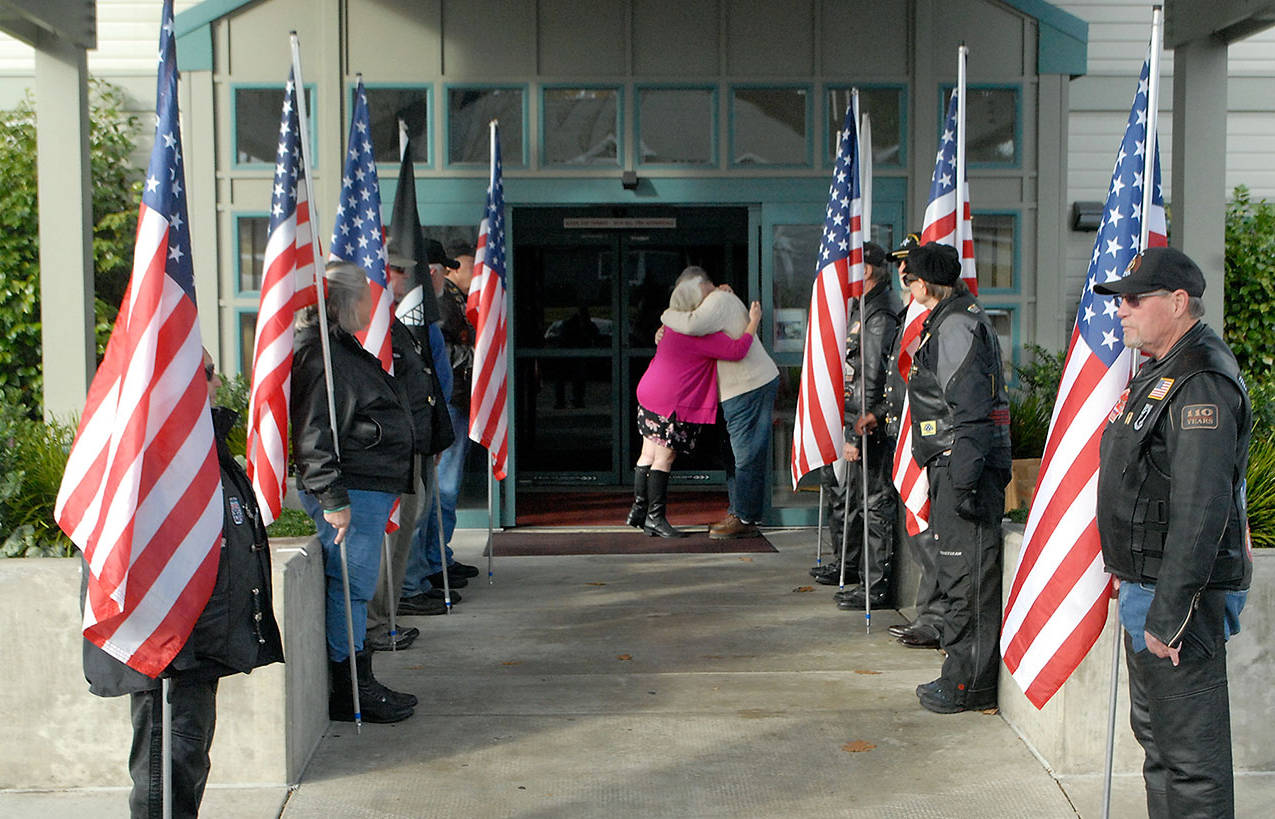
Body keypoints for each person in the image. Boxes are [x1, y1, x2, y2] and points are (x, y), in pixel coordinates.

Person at [81, 349, 284, 818]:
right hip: (170, 649)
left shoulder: (198, 443)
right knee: (165, 769)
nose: (217, 384)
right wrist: (175, 646)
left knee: (187, 763)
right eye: (208, 374)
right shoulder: (148, 458)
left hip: (201, 641)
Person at [1094, 247, 1251, 817]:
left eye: (1134, 299)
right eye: (1120, 300)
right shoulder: (1163, 372)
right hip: (1147, 588)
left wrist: (1172, 614)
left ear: (1178, 302)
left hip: (1178, 599)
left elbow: (1202, 507)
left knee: (1192, 763)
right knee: (1160, 748)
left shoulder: (1201, 379)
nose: (1122, 311)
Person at [291, 260, 417, 723]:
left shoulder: (340, 347)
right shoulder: (320, 353)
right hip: (353, 490)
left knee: (357, 588)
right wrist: (332, 497)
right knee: (351, 589)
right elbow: (312, 431)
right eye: (364, 294)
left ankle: (361, 679)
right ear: (343, 300)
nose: (372, 302)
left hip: (369, 487)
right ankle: (350, 691)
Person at [903, 242, 1011, 713]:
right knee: (957, 573)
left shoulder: (957, 326)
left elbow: (971, 413)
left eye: (908, 280)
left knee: (967, 578)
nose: (905, 288)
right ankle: (959, 673)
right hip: (953, 464)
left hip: (963, 467)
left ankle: (968, 684)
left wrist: (963, 482)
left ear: (923, 284)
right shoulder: (950, 320)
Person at [362, 247, 459, 651]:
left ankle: (388, 617)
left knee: (410, 524)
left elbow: (423, 384)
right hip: (393, 449)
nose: (405, 278)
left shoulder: (403, 323)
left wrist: (432, 437)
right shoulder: (378, 327)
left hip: (417, 442)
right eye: (398, 270)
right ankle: (377, 623)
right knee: (391, 533)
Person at [630, 268, 762, 537]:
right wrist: (754, 321)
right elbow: (737, 351)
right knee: (664, 458)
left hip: (648, 391)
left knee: (647, 453)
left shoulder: (670, 326)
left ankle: (639, 509)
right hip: (670, 400)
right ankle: (656, 518)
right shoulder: (699, 335)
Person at [809, 243, 903, 611]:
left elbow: (872, 377)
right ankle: (848, 567)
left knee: (874, 505)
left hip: (870, 423)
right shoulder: (861, 306)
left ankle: (874, 586)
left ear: (866, 271)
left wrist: (855, 431)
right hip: (853, 417)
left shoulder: (880, 312)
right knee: (846, 497)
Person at [659, 268, 781, 539]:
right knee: (735, 455)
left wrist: (665, 316)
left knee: (745, 455)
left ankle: (745, 518)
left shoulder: (718, 301)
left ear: (700, 285)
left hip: (748, 386)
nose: (686, 301)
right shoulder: (713, 305)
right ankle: (738, 511)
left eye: (686, 293)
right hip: (741, 388)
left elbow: (690, 325)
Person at [404, 239, 481, 594]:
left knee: (442, 494)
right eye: (445, 267)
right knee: (438, 493)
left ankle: (437, 560)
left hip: (451, 403)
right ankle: (426, 569)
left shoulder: (444, 302)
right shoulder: (431, 307)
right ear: (432, 271)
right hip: (442, 407)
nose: (450, 273)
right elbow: (442, 355)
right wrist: (478, 355)